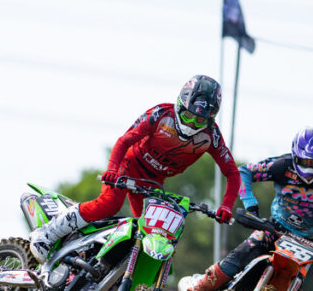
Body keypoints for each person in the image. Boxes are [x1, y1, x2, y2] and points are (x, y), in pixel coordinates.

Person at [28, 75, 240, 262]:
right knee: (109, 204)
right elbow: (124, 141)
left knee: (151, 231)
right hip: (128, 166)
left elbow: (232, 172)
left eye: (200, 120)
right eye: (188, 116)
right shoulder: (160, 114)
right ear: (179, 106)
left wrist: (227, 206)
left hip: (154, 182)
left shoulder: (211, 136)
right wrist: (112, 169)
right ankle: (47, 233)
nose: (192, 123)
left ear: (210, 119)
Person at [174, 127, 313, 291]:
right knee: (243, 252)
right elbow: (244, 171)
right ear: (295, 155)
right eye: (304, 161)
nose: (309, 167)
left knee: (294, 290)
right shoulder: (283, 165)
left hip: (305, 244)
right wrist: (251, 205)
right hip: (274, 229)